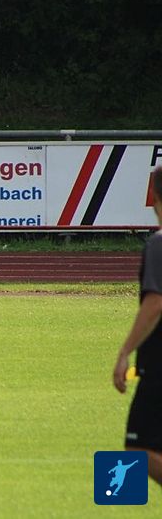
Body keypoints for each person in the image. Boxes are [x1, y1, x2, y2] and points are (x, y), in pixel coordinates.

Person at [112, 164, 162, 490]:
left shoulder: (158, 245)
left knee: (137, 450)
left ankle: (118, 498)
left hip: (158, 364)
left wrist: (125, 351)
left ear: (153, 195)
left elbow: (155, 302)